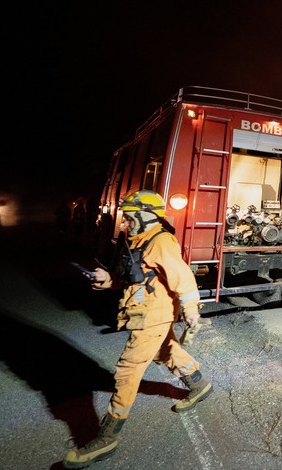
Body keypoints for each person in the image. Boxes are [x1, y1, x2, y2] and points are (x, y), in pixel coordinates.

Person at [63, 190, 212, 469]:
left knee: (128, 371)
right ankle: (199, 385)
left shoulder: (160, 241)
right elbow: (133, 278)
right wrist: (106, 279)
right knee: (165, 353)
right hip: (146, 312)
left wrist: (191, 309)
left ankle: (107, 437)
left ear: (145, 215)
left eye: (130, 218)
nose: (126, 223)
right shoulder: (138, 241)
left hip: (153, 315)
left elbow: (182, 276)